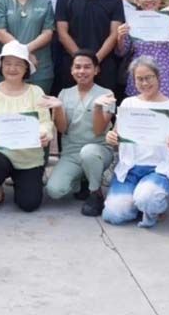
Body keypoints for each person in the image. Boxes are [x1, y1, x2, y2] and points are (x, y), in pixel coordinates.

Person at [103, 57, 169, 228]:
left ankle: (148, 204)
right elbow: (117, 136)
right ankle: (138, 202)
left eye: (149, 77)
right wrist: (111, 137)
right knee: (114, 215)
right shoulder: (128, 103)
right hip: (130, 168)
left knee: (148, 199)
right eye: (139, 79)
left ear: (158, 77)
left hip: (158, 169)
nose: (145, 83)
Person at [0, 41, 54, 213]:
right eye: (8, 63)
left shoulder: (36, 92)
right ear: (1, 66)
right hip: (0, 153)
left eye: (18, 64)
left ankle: (22, 181)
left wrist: (44, 134)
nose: (12, 68)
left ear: (26, 68)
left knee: (29, 204)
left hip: (29, 157)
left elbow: (45, 122)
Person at [43, 50, 115, 216]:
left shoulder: (106, 94)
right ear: (71, 70)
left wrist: (97, 107)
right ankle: (84, 178)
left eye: (87, 67)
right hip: (72, 153)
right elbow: (62, 129)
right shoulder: (64, 94)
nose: (82, 71)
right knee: (55, 190)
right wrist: (58, 107)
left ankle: (95, 192)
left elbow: (98, 130)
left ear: (96, 70)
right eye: (77, 67)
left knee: (88, 153)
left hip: (97, 150)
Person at [55, 0, 125, 93]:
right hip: (72, 67)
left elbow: (114, 35)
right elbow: (62, 34)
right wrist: (81, 64)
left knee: (105, 112)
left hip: (104, 66)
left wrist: (94, 62)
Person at [0, 0, 56, 95]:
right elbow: (0, 32)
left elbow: (47, 34)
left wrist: (24, 52)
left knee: (39, 110)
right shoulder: (0, 2)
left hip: (39, 68)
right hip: (8, 68)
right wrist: (23, 55)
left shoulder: (45, 3)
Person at [117, 0, 169, 99]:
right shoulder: (132, 21)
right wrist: (120, 37)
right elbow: (122, 51)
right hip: (140, 77)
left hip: (165, 77)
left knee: (164, 113)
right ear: (137, 0)